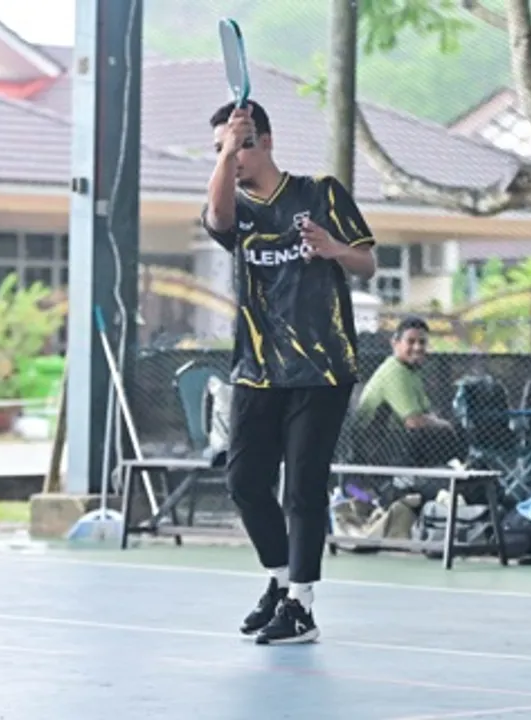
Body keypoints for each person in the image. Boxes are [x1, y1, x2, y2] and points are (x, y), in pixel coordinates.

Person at [201, 99, 376, 645]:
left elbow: (367, 263)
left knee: (302, 487)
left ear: (268, 142)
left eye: (241, 146)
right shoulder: (234, 204)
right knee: (244, 482)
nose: (232, 157)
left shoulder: (321, 192)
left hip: (322, 368)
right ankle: (280, 580)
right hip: (257, 369)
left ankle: (302, 605)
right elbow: (217, 219)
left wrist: (334, 248)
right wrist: (228, 151)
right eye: (222, 150)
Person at [357, 316, 466, 468]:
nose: (417, 347)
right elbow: (413, 421)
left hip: (399, 442)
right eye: (411, 341)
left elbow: (425, 412)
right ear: (395, 343)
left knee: (456, 431)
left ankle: (462, 470)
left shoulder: (411, 372)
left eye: (422, 342)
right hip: (379, 446)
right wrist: (444, 425)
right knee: (447, 434)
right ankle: (460, 470)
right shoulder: (395, 371)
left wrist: (440, 423)